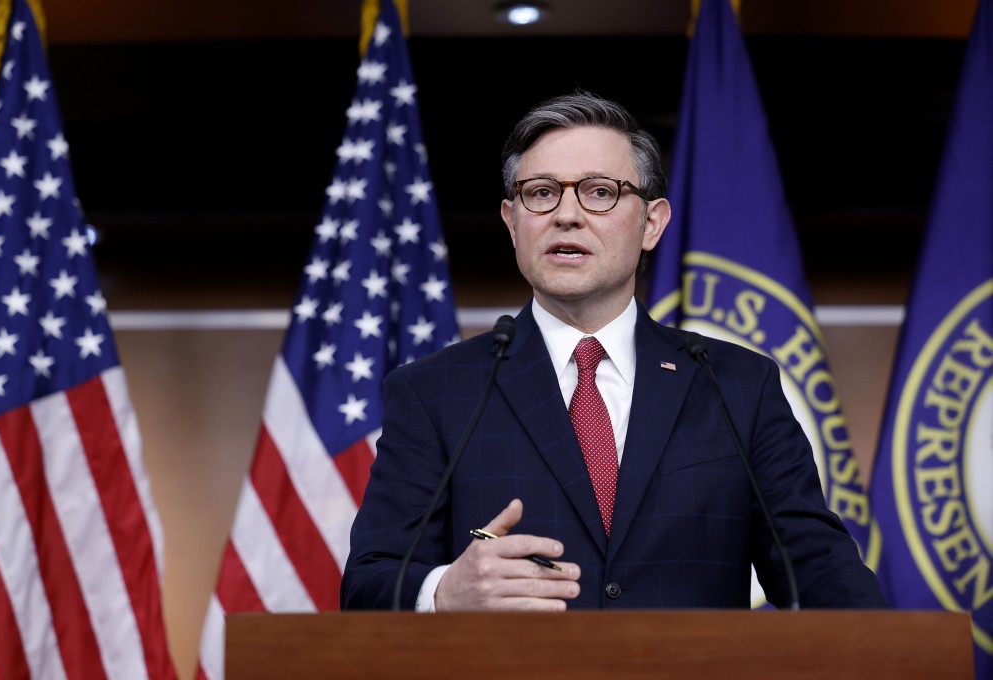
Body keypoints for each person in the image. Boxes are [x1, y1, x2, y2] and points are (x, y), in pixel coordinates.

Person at [340, 90, 887, 611]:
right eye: (541, 192)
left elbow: (817, 569)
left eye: (599, 192)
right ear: (513, 222)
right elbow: (368, 581)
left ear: (652, 222)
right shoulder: (436, 390)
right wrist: (442, 590)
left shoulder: (737, 385)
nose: (567, 214)